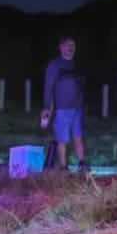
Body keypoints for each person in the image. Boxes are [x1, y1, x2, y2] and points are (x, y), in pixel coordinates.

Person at [40, 35, 88, 173]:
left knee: (78, 137)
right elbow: (49, 86)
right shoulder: (55, 65)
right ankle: (63, 168)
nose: (70, 48)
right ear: (61, 47)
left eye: (73, 45)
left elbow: (82, 86)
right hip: (61, 109)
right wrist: (46, 106)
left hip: (77, 109)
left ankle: (81, 164)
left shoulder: (77, 65)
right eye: (67, 45)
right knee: (62, 139)